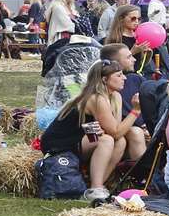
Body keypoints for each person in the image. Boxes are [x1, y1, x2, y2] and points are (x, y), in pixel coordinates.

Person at [41, 61, 147, 202]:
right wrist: (135, 111)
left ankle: (95, 186)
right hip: (61, 144)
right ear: (104, 79)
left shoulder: (115, 96)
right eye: (119, 75)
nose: (125, 78)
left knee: (120, 142)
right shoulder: (97, 98)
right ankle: (96, 188)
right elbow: (115, 132)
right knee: (107, 140)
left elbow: (116, 130)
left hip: (83, 137)